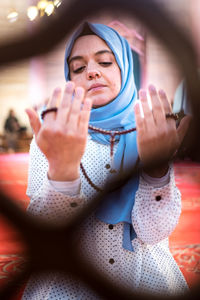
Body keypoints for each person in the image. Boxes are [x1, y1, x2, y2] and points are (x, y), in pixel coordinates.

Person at [22, 22, 191, 299]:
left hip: (145, 278)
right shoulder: (53, 137)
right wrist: (62, 173)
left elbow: (153, 233)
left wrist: (157, 172)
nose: (92, 71)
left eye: (105, 61)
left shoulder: (149, 133)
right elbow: (45, 239)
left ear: (124, 68)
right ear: (70, 79)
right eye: (78, 68)